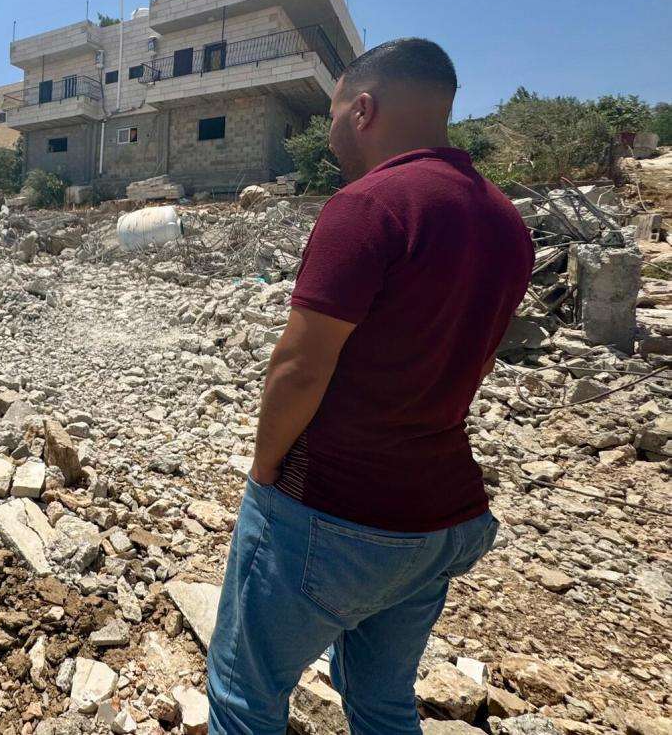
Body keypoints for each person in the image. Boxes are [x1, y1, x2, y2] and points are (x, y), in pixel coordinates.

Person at [206, 38, 534, 734]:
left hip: (334, 512)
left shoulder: (369, 205)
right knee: (382, 703)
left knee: (243, 692)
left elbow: (299, 366)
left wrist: (266, 475)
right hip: (440, 518)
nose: (327, 136)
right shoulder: (508, 224)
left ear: (364, 109)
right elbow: (472, 362)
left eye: (331, 116)